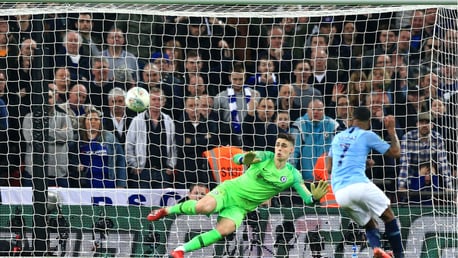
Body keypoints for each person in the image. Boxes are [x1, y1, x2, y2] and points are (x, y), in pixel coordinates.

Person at [147, 133, 329, 258]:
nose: (279, 148)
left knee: (224, 230)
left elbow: (307, 199)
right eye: (278, 145)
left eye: (284, 146)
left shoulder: (293, 175)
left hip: (241, 207)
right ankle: (166, 210)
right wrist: (244, 159)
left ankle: (180, 250)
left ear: (291, 150)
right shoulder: (264, 157)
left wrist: (314, 198)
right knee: (202, 207)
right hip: (229, 191)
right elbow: (238, 158)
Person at [327, 107, 404, 258]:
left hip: (340, 193)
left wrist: (363, 161)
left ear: (352, 119)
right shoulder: (367, 135)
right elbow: (395, 153)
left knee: (369, 223)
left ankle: (377, 248)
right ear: (368, 122)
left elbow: (329, 168)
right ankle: (399, 255)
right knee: (388, 215)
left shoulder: (338, 137)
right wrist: (391, 130)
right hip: (358, 185)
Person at [125, 87, 177, 189]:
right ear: (148, 101)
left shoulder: (168, 121)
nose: (157, 102)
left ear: (164, 102)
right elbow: (129, 145)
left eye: (159, 99)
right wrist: (135, 166)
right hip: (142, 171)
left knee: (161, 204)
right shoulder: (137, 120)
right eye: (153, 99)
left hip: (163, 171)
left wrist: (171, 166)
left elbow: (174, 146)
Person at [78, 108, 127, 188]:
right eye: (90, 119)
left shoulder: (110, 138)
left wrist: (121, 184)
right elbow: (70, 158)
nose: (93, 122)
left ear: (100, 122)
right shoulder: (78, 139)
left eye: (96, 119)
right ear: (84, 122)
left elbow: (121, 161)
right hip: (85, 184)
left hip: (108, 182)